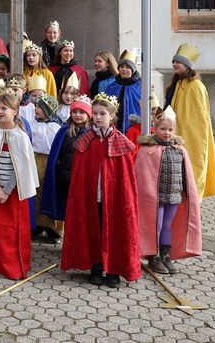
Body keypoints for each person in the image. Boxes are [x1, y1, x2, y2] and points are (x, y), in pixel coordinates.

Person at [61, 92, 140, 288]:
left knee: (113, 230)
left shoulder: (120, 142)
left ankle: (113, 270)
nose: (97, 117)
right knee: (92, 229)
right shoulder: (86, 140)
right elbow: (80, 173)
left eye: (102, 113)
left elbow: (126, 179)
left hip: (113, 199)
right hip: (91, 198)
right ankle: (96, 266)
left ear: (111, 116)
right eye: (95, 113)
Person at [0, 93, 39, 279]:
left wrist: (6, 190)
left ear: (15, 111)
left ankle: (13, 266)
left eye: (4, 108)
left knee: (12, 230)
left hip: (13, 192)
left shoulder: (21, 136)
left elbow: (22, 167)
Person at [136, 107, 202, 275]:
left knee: (166, 226)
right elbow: (142, 175)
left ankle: (165, 256)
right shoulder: (147, 150)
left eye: (170, 129)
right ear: (155, 128)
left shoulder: (180, 150)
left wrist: (189, 194)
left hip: (173, 196)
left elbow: (186, 174)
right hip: (154, 198)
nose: (166, 133)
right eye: (163, 129)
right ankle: (153, 256)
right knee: (154, 225)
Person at [165, 43, 215, 200]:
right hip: (177, 132)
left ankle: (193, 203)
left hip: (191, 136)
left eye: (179, 62)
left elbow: (200, 118)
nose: (175, 64)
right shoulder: (178, 83)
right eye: (174, 62)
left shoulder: (196, 86)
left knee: (193, 168)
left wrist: (187, 133)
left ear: (187, 66)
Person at [40, 95, 93, 233]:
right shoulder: (64, 131)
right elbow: (56, 154)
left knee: (80, 213)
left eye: (82, 112)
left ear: (88, 114)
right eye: (75, 112)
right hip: (64, 179)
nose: (78, 115)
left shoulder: (92, 134)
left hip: (81, 180)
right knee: (67, 211)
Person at [26, 94, 63, 241]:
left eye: (40, 107)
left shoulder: (56, 127)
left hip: (50, 162)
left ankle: (53, 228)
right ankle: (36, 225)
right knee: (35, 193)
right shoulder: (31, 124)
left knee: (49, 192)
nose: (36, 109)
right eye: (36, 106)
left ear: (48, 110)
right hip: (34, 160)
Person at [105, 49, 141, 134]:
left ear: (133, 69)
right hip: (114, 129)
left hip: (134, 129)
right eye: (121, 66)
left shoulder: (141, 87)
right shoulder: (111, 87)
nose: (124, 69)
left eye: (128, 67)